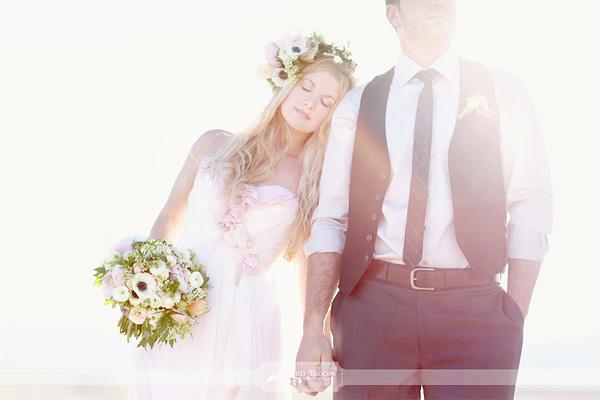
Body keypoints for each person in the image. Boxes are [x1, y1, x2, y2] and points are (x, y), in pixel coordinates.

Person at [294, 1, 553, 399]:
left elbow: (530, 204)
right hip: (372, 310)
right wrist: (313, 327)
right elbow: (332, 220)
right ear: (393, 14)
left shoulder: (505, 91)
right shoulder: (358, 104)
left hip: (476, 312)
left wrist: (513, 316)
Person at [128, 32, 355, 400]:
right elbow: (171, 215)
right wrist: (148, 282)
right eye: (307, 88)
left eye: (326, 101)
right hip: (183, 303)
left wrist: (315, 333)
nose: (311, 103)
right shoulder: (212, 143)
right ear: (286, 83)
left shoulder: (314, 183)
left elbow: (307, 265)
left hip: (246, 313)